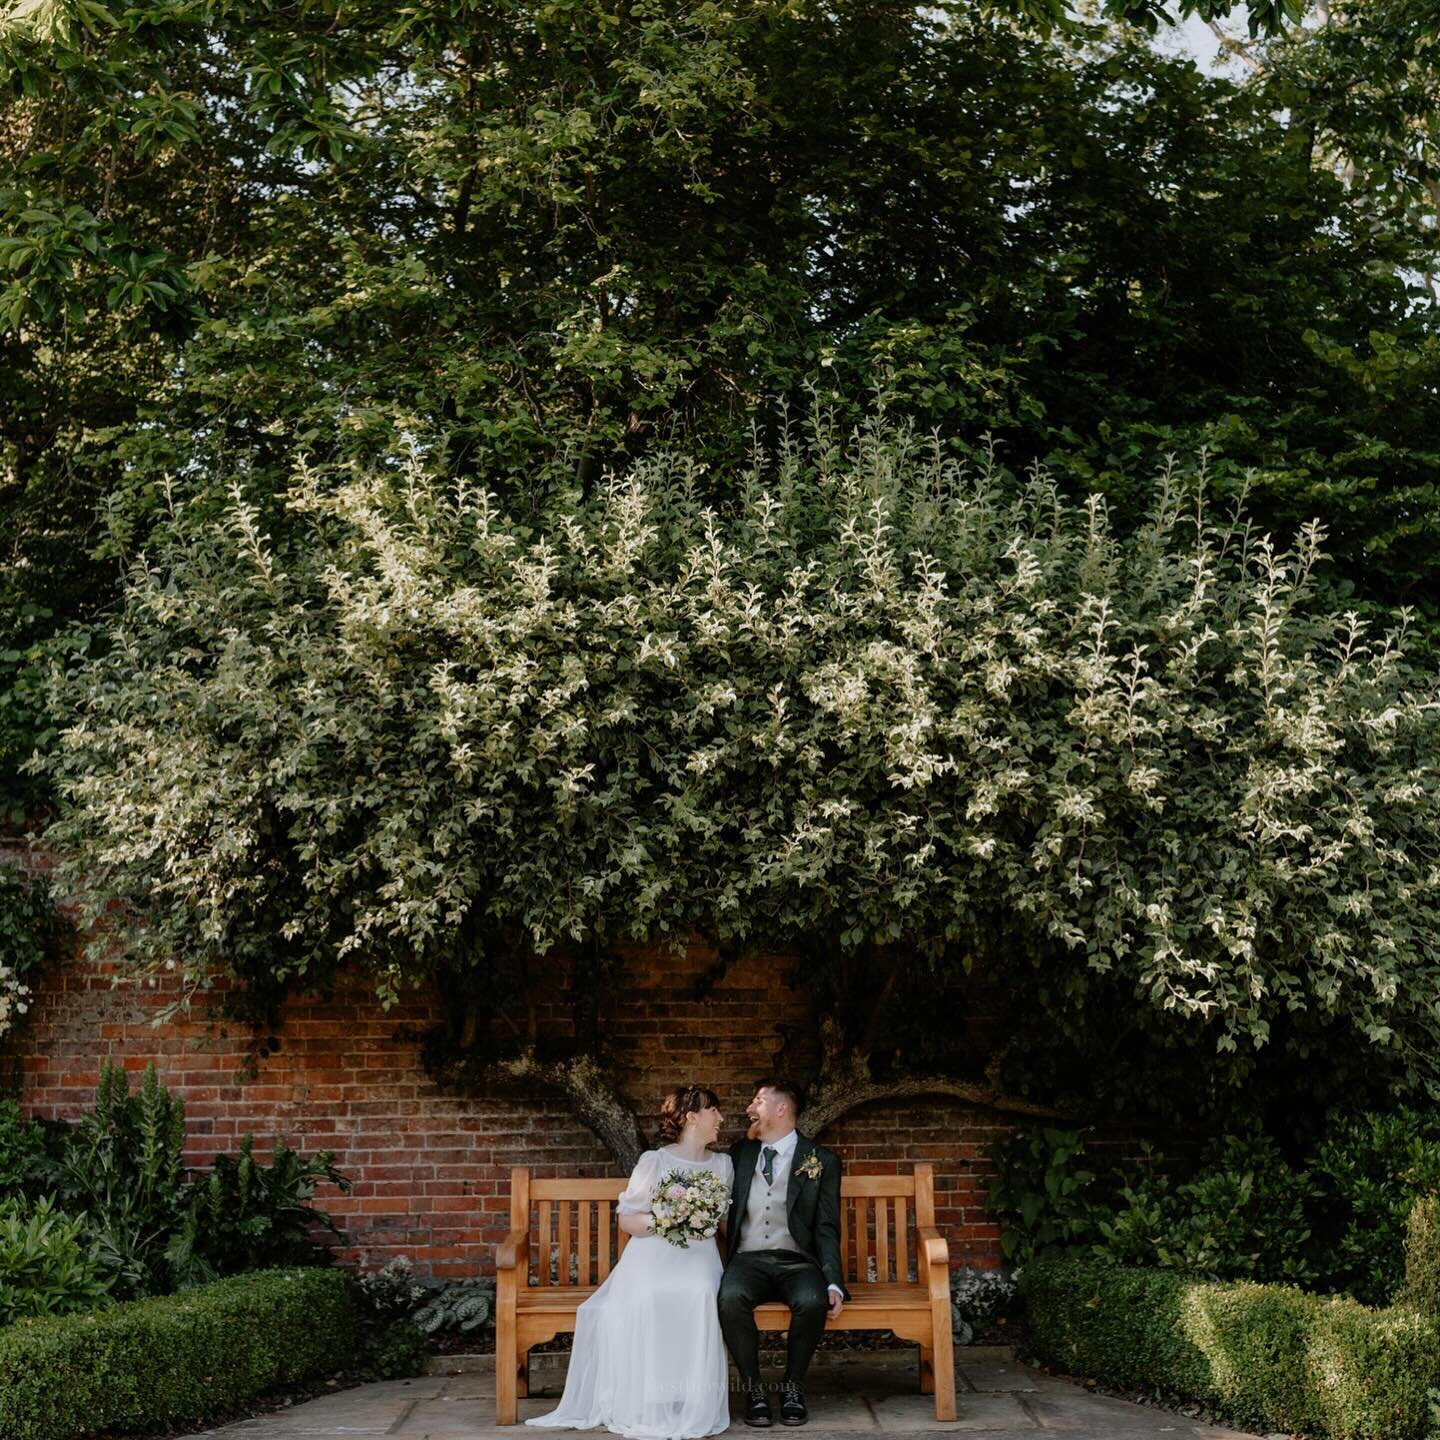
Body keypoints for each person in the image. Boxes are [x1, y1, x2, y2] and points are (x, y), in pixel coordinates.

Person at [526, 1084, 734, 1440]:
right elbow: (628, 1220)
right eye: (713, 1110)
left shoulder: (723, 1165)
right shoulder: (655, 1161)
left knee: (701, 1293)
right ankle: (651, 1397)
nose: (721, 1118)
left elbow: (725, 1223)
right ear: (692, 1117)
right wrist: (671, 1221)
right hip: (653, 1255)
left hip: (698, 1258)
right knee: (648, 1296)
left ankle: (692, 1399)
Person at [717, 1079, 849, 1428]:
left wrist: (833, 1281)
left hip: (797, 1262)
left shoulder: (820, 1160)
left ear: (781, 1110)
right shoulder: (739, 1155)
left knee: (812, 1299)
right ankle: (754, 1390)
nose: (749, 1109)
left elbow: (826, 1226)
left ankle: (792, 1387)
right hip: (748, 1260)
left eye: (758, 1101)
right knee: (729, 1298)